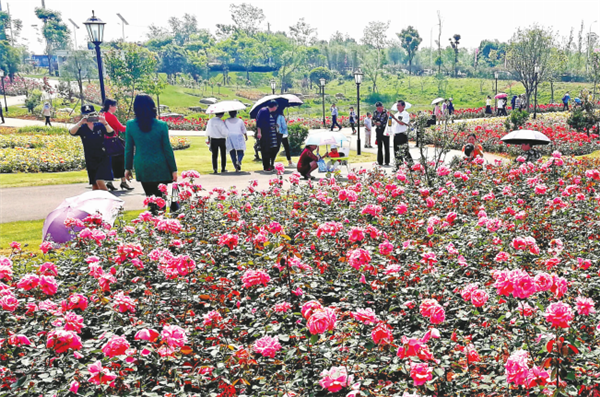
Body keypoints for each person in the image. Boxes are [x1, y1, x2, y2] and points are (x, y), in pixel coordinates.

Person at [124, 94, 177, 214]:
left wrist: (127, 168)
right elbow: (167, 149)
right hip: (161, 165)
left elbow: (128, 148)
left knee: (150, 197)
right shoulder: (161, 125)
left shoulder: (131, 125)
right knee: (161, 198)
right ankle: (162, 223)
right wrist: (173, 169)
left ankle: (152, 221)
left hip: (143, 165)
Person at [69, 104, 114, 191]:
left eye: (90, 114)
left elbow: (111, 133)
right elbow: (72, 132)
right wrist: (81, 122)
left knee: (99, 180)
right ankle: (96, 203)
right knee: (94, 185)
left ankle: (110, 202)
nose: (88, 117)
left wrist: (104, 122)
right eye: (86, 115)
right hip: (90, 157)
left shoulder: (99, 126)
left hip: (102, 156)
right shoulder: (82, 128)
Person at [101, 99, 133, 191]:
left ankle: (109, 182)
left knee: (110, 162)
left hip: (105, 142)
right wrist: (132, 127)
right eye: (115, 106)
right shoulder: (111, 117)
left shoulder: (103, 116)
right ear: (110, 106)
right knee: (121, 161)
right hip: (113, 142)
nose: (116, 107)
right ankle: (123, 182)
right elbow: (121, 128)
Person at [256, 100, 281, 172]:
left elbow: (267, 123)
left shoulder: (271, 113)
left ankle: (270, 165)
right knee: (265, 150)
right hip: (265, 134)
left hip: (272, 134)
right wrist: (259, 132)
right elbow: (259, 123)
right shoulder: (263, 111)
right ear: (273, 106)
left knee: (273, 148)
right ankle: (266, 166)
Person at [388, 100, 413, 168]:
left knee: (405, 151)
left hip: (402, 134)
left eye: (399, 105)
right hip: (396, 135)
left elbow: (402, 123)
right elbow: (392, 123)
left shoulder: (405, 114)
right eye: (397, 105)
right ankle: (399, 166)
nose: (398, 107)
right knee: (396, 152)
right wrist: (390, 118)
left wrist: (394, 118)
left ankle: (411, 166)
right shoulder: (396, 114)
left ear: (403, 106)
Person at [372, 102, 390, 166]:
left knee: (386, 146)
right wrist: (375, 122)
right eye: (377, 108)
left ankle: (387, 161)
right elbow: (373, 119)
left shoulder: (386, 112)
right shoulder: (375, 112)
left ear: (382, 107)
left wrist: (381, 123)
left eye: (380, 108)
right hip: (378, 130)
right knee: (379, 146)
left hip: (385, 130)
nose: (379, 109)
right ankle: (380, 161)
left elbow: (388, 121)